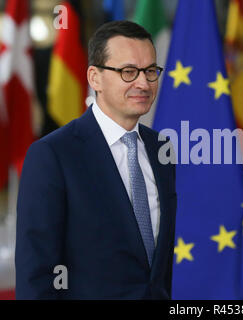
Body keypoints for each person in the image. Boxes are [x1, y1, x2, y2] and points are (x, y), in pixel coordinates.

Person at [15, 21, 176, 299]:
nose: (143, 82)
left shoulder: (161, 148)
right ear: (94, 77)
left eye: (151, 71)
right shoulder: (53, 155)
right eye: (128, 72)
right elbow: (37, 275)